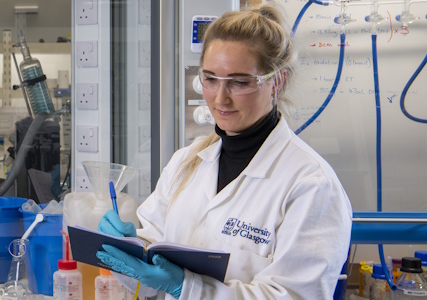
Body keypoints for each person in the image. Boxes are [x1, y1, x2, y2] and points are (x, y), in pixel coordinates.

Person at [95, 2, 352, 299]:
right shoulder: (185, 162)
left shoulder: (311, 185)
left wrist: (186, 286)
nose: (220, 98)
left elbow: (295, 295)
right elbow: (152, 271)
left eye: (239, 82)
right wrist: (128, 250)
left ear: (276, 81)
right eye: (210, 79)